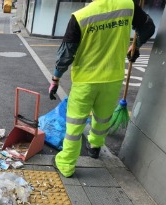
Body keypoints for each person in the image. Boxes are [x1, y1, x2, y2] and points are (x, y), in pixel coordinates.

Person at [49, 0, 155, 178]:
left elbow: (66, 53)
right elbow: (148, 27)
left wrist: (55, 79)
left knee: (75, 124)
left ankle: (66, 164)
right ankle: (95, 147)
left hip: (86, 81)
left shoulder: (81, 16)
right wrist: (135, 46)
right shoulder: (127, 6)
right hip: (113, 78)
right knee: (102, 118)